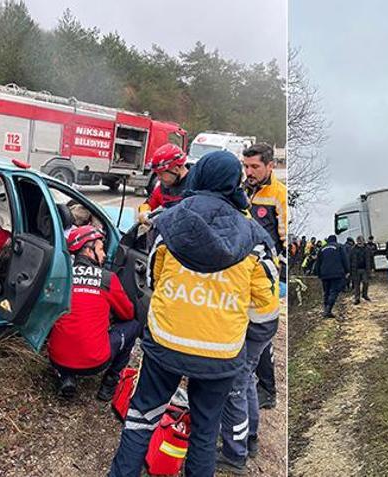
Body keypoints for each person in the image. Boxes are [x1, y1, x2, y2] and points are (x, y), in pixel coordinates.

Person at [108, 151, 279, 477]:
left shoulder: (168, 222)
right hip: (221, 353)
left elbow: (152, 280)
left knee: (141, 418)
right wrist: (243, 339)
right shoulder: (255, 238)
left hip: (166, 343)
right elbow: (267, 309)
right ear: (234, 183)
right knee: (204, 430)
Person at [48, 226, 141, 401]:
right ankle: (109, 383)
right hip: (95, 362)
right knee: (133, 326)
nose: (105, 254)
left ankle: (66, 376)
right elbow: (128, 314)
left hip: (56, 358)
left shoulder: (61, 276)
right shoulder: (106, 278)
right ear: (89, 250)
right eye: (100, 248)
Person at [242, 143, 286, 412]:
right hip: (241, 269)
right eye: (246, 166)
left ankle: (267, 388)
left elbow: (283, 239)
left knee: (261, 331)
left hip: (263, 275)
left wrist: (276, 270)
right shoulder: (244, 188)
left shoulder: (278, 195)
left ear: (270, 166)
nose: (249, 171)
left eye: (255, 167)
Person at [136, 143, 189, 225]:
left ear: (176, 169)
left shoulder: (196, 186)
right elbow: (147, 204)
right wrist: (144, 212)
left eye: (161, 173)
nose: (159, 178)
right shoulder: (163, 187)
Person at [315, 235, 350, 318]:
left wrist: (318, 273)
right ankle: (328, 310)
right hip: (337, 273)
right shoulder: (340, 247)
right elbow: (345, 259)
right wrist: (347, 271)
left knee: (326, 292)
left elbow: (318, 262)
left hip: (324, 274)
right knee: (333, 292)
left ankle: (325, 309)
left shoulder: (322, 249)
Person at [350, 236, 373, 303]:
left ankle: (365, 295)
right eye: (358, 241)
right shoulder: (353, 249)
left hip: (365, 269)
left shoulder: (368, 248)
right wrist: (350, 270)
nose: (359, 242)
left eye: (361, 241)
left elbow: (371, 259)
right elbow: (350, 259)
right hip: (356, 269)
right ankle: (357, 298)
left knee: (366, 282)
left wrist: (372, 268)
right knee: (356, 284)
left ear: (363, 241)